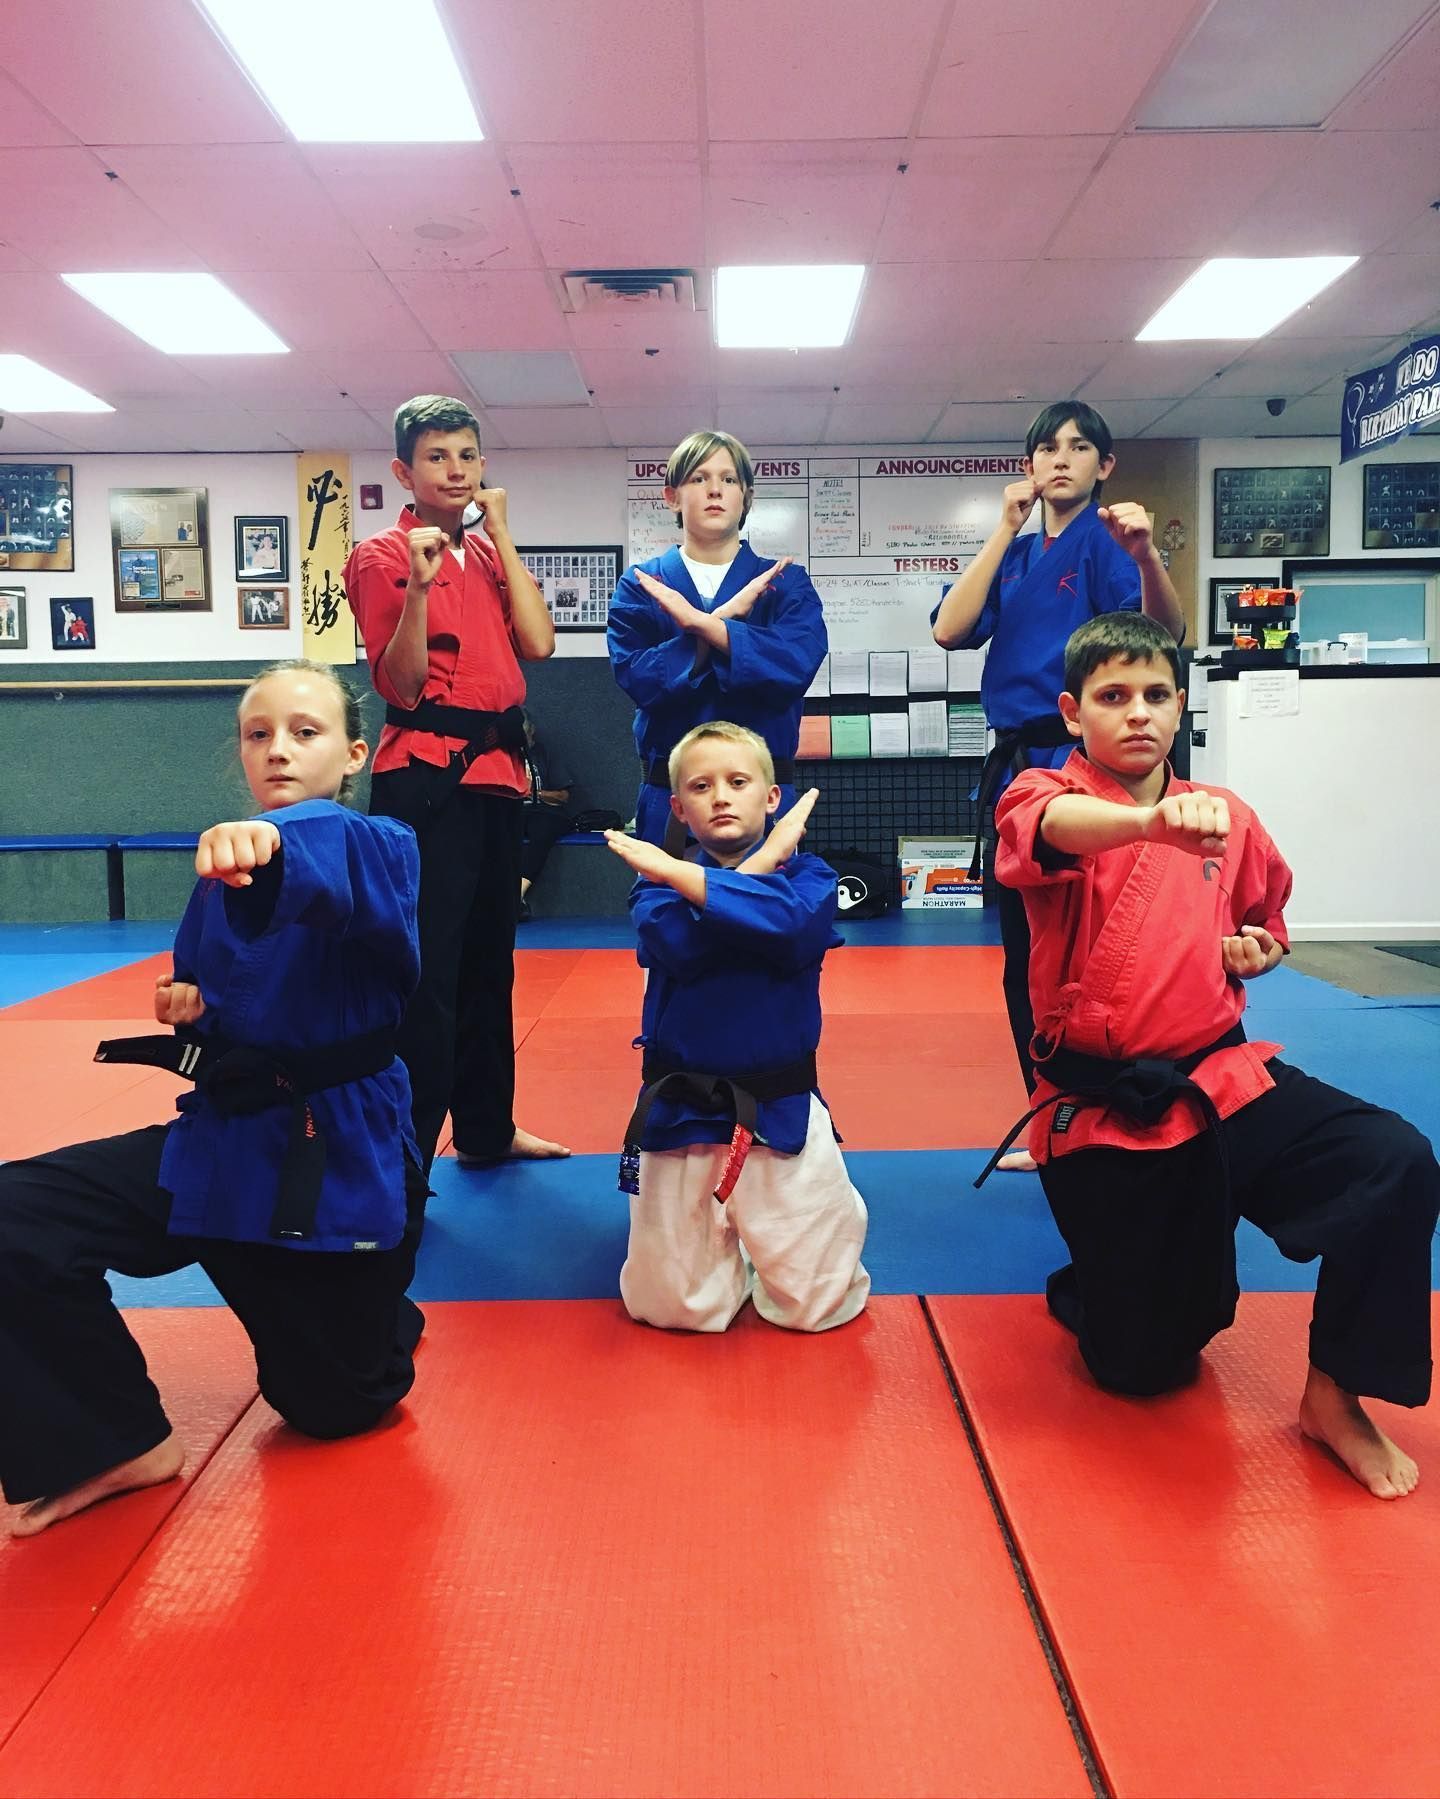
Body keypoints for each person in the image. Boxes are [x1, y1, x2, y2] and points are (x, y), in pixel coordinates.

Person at [990, 612, 1439, 1499]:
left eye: (1156, 695)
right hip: (1114, 1116)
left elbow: (1264, 916)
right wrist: (1152, 823)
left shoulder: (1226, 815)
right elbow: (1052, 830)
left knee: (1394, 1160)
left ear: (1181, 704)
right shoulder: (1041, 794)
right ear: (1073, 712)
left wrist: (1255, 948)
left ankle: (1334, 1393)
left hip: (1222, 1080)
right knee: (1145, 1365)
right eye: (1113, 697)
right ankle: (1100, 1277)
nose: (1138, 714)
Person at [0, 661, 428, 1537]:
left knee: (335, 1405)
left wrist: (271, 845)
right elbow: (213, 975)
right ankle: (114, 1441)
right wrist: (186, 1005)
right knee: (14, 1217)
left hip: (328, 1166)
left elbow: (322, 856)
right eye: (257, 733)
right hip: (224, 1150)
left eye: (305, 733)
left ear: (355, 752)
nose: (278, 750)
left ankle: (382, 1309)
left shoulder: (379, 844)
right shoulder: (221, 862)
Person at [933, 402, 1185, 1171]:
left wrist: (1145, 557)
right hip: (1022, 772)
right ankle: (1050, 1117)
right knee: (1029, 956)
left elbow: (1164, 636)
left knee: (1107, 946)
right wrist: (1003, 527)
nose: (1062, 459)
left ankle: (1133, 1106)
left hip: (1094, 766)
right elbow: (949, 628)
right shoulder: (1013, 551)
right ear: (1031, 463)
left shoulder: (1109, 543)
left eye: (1080, 448)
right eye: (1048, 447)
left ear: (1105, 466)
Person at [343, 395, 568, 1171]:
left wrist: (500, 535)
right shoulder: (380, 554)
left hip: (498, 778)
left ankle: (484, 1130)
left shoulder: (488, 552)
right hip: (426, 780)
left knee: (489, 966)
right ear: (405, 471)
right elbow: (401, 687)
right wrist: (416, 587)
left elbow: (537, 644)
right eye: (438, 457)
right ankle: (405, 1156)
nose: (457, 470)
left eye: (468, 455)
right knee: (428, 974)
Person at [605, 721, 869, 1334]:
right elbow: (679, 945)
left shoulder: (810, 878)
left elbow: (790, 926)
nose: (720, 795)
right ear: (678, 807)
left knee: (817, 1306)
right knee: (669, 1308)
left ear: (771, 796)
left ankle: (762, 1241)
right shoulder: (654, 890)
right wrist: (751, 869)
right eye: (701, 786)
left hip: (778, 1106)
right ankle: (719, 1251)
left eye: (738, 781)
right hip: (682, 1107)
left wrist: (724, 876)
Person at [607, 430, 827, 849]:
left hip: (764, 797)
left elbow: (793, 668)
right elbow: (640, 681)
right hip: (672, 797)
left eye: (728, 480)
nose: (714, 490)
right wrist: (724, 622)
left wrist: (702, 628)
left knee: (764, 911)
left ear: (746, 497)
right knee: (669, 911)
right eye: (698, 478)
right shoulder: (641, 585)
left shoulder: (786, 584)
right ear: (672, 496)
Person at [518, 708, 574, 922]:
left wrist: (534, 791)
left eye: (527, 735)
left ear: (532, 732)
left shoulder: (545, 753)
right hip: (515, 811)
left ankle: (518, 891)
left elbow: (563, 796)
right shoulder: (505, 757)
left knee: (543, 830)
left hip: (544, 811)